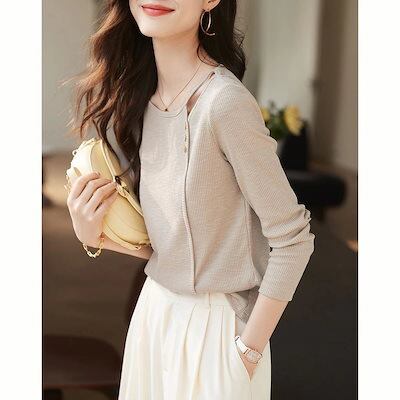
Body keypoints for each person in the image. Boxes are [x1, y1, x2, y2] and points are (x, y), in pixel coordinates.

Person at [66, 0, 315, 399]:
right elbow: (175, 253)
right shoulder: (146, 100)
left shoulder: (224, 104)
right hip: (154, 318)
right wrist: (94, 237)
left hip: (215, 334)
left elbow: (293, 239)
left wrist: (247, 351)